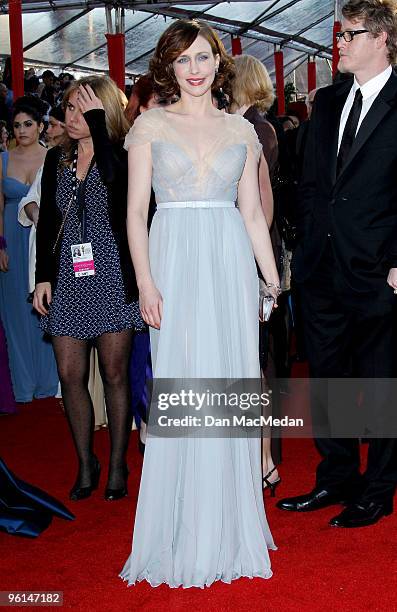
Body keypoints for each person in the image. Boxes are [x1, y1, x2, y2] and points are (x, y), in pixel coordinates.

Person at [120, 19, 279, 588]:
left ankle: (229, 525)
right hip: (173, 263)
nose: (195, 69)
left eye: (203, 58)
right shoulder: (150, 126)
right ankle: (183, 526)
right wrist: (144, 282)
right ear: (169, 67)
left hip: (229, 260)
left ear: (219, 63)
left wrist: (270, 279)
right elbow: (136, 214)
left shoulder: (242, 132)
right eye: (183, 60)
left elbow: (254, 215)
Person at [278, 0, 397, 528]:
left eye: (349, 34)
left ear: (383, 38)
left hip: (378, 269)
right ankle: (337, 476)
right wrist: (305, 242)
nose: (340, 43)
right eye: (338, 33)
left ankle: (379, 488)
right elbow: (310, 183)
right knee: (328, 378)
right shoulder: (325, 103)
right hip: (320, 266)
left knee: (378, 383)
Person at [34, 76, 144, 502]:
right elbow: (47, 222)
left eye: (82, 108)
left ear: (102, 113)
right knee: (69, 374)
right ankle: (86, 462)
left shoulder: (121, 155)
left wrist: (100, 130)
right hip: (68, 277)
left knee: (115, 374)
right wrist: (43, 277)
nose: (70, 116)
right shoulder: (54, 161)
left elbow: (120, 190)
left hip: (113, 275)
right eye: (68, 108)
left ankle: (117, 463)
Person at [230, 54, 281, 493]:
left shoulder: (256, 129)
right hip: (231, 254)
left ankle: (263, 456)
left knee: (253, 363)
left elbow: (261, 211)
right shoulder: (245, 125)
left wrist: (257, 267)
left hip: (246, 255)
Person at [0, 96, 58, 402]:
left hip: (42, 239)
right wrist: (0, 245)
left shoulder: (54, 156)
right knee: (14, 312)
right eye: (16, 125)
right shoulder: (2, 159)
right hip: (10, 236)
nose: (21, 130)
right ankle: (22, 385)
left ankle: (49, 381)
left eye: (28, 124)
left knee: (43, 306)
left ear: (40, 126)